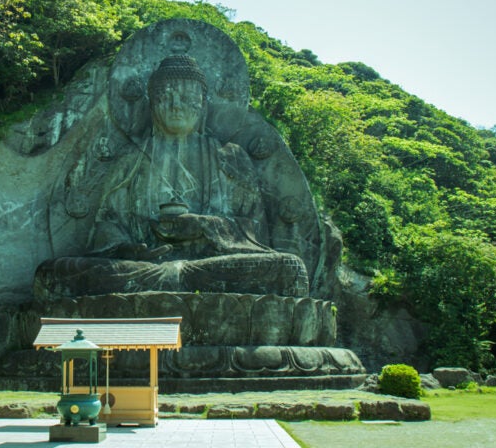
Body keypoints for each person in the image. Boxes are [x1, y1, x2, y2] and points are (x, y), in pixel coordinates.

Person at [35, 55, 308, 300]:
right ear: (153, 103)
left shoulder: (230, 156)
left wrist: (204, 227)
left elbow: (256, 229)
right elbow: (108, 223)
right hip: (142, 268)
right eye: (166, 97)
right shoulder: (132, 157)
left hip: (211, 266)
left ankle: (168, 289)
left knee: (289, 269)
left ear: (202, 104)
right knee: (53, 274)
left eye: (187, 98)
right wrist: (127, 249)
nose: (176, 106)